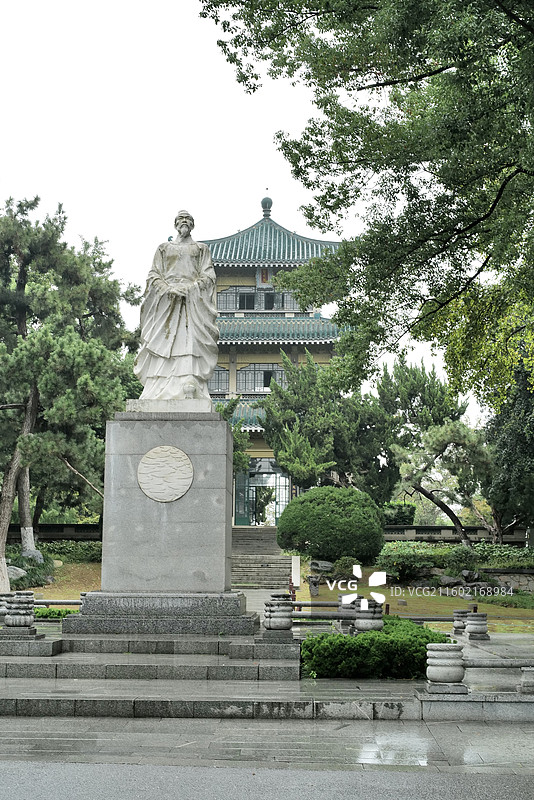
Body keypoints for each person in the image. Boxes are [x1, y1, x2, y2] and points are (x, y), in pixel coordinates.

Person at [134, 210, 219, 400]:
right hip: (167, 301)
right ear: (175, 224)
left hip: (191, 302)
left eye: (188, 219)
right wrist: (168, 289)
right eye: (181, 219)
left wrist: (192, 288)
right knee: (162, 341)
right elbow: (154, 275)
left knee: (188, 341)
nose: (184, 222)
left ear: (193, 225)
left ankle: (189, 383)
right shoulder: (164, 248)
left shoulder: (201, 249)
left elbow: (208, 275)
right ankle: (156, 386)